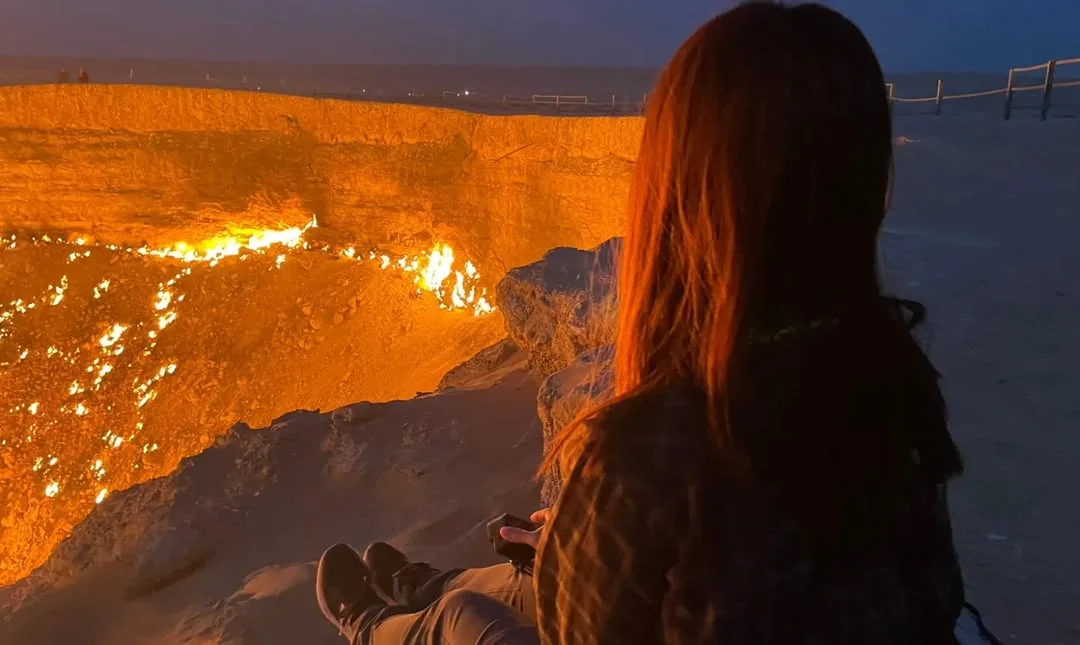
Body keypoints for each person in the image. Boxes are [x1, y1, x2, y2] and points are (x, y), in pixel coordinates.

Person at [315, 1, 969, 643]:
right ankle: (431, 583)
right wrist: (588, 539)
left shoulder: (657, 447)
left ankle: (370, 625)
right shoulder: (895, 384)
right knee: (529, 571)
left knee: (463, 619)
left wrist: (591, 530)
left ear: (679, 189)